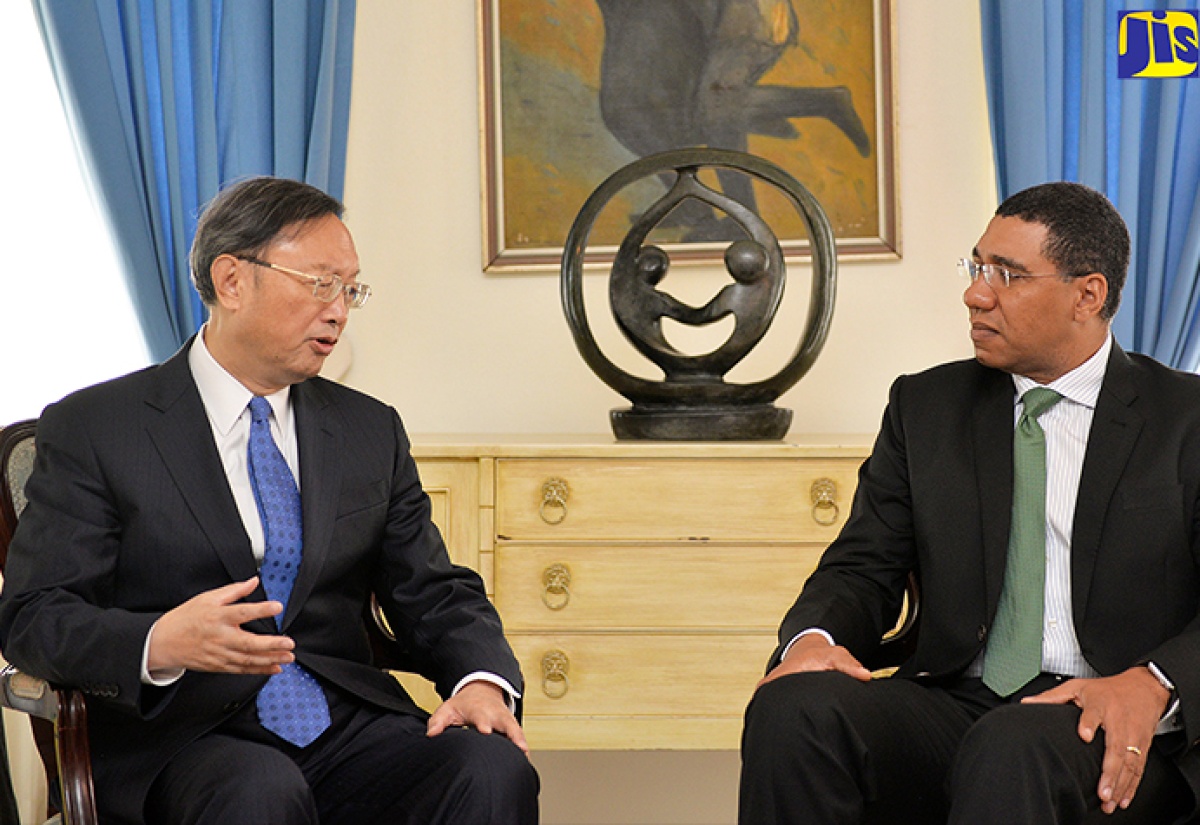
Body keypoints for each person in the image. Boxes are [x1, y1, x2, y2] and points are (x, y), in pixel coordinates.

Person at [0, 176, 539, 825]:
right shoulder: (100, 427)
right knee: (258, 789)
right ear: (232, 280)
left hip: (341, 724)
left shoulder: (369, 430)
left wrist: (481, 678)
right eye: (320, 283)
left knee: (490, 767)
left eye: (350, 288)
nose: (339, 310)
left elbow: (434, 591)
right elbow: (34, 615)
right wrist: (158, 641)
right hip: (183, 735)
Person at [739, 181, 1200, 824]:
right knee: (795, 707)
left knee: (1013, 744)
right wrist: (813, 640)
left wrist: (1154, 682)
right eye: (977, 267)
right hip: (959, 700)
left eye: (1007, 275)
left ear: (1087, 295)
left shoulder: (1186, 418)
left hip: (1111, 715)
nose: (976, 293)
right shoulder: (924, 408)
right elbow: (862, 567)